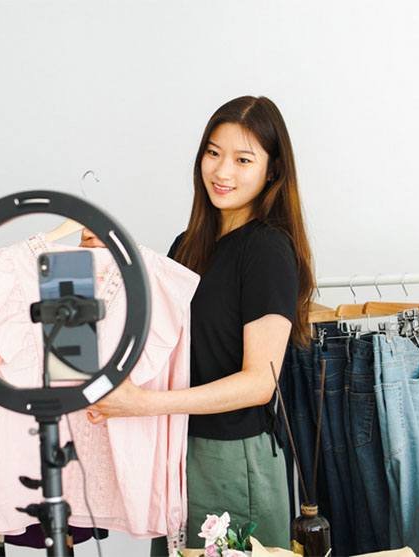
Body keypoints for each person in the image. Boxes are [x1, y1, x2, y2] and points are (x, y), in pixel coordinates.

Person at [88, 95, 315, 554]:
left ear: (272, 170)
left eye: (242, 159)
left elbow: (258, 384)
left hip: (235, 459)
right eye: (213, 153)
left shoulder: (268, 250)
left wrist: (143, 404)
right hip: (179, 449)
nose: (222, 171)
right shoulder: (188, 246)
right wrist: (109, 263)